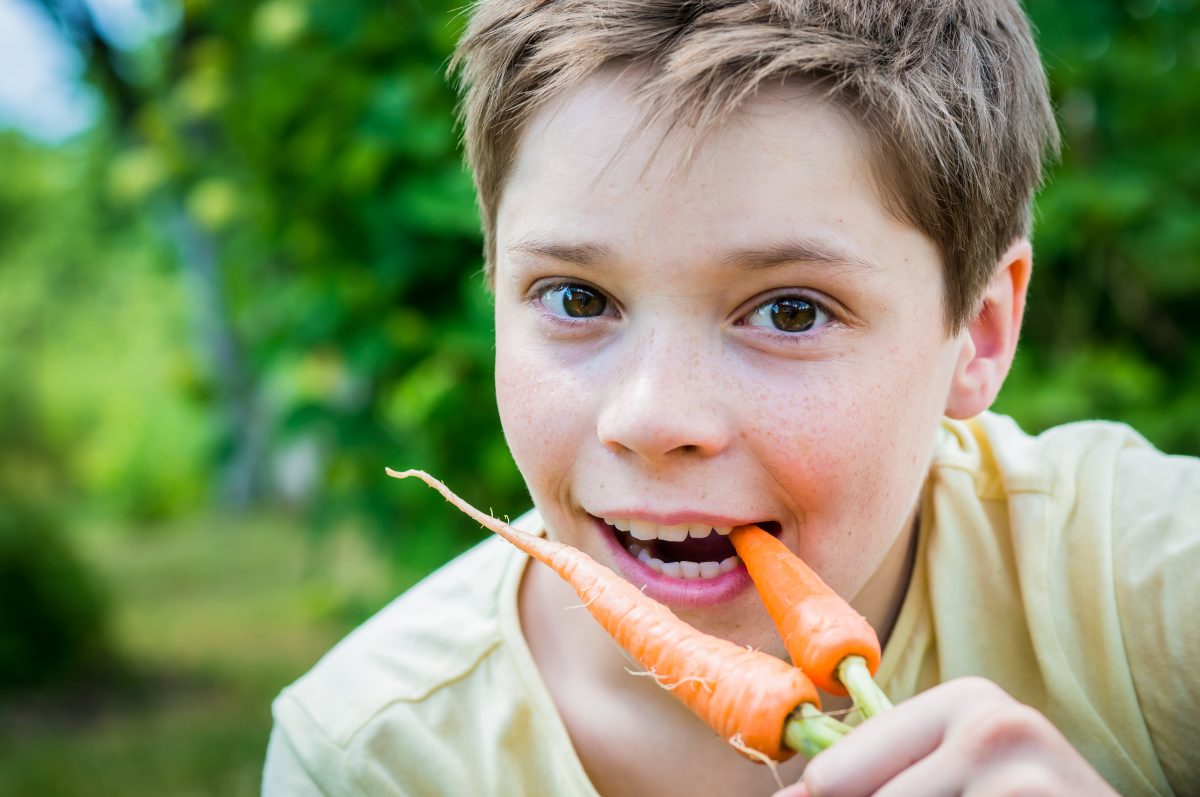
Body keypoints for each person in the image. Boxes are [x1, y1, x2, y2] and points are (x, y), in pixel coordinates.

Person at [262, 1, 1199, 795]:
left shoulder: (1145, 588)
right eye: (577, 299)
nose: (653, 417)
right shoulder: (370, 753)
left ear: (980, 332)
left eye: (790, 311)